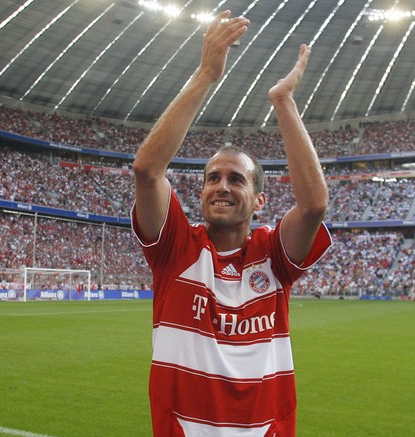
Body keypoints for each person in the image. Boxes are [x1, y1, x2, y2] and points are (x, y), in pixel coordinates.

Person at [131, 10, 333, 436]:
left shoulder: (273, 257)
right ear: (201, 192)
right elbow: (148, 170)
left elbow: (314, 205)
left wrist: (284, 102)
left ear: (259, 200)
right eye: (212, 178)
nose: (221, 186)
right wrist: (206, 73)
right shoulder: (175, 251)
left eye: (236, 179)